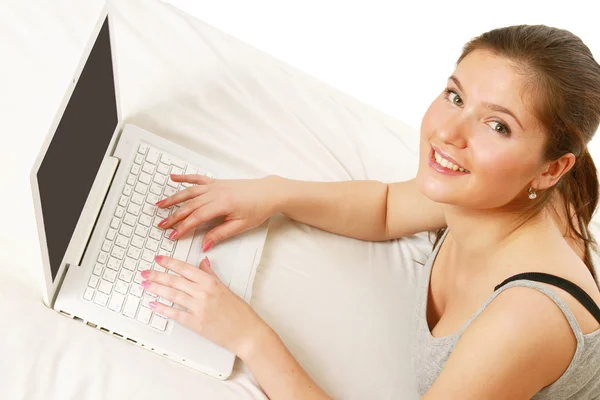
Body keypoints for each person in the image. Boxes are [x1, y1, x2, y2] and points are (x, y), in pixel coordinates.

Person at [141, 24, 600, 399]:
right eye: (455, 97)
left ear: (551, 169)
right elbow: (384, 210)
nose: (449, 134)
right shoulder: (485, 192)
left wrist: (249, 339)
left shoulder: (527, 316)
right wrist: (274, 193)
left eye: (497, 125)